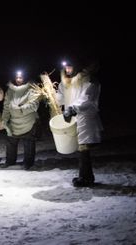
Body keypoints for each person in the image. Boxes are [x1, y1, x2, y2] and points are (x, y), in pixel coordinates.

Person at [56, 59, 103, 187]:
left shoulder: (87, 80)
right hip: (72, 118)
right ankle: (84, 176)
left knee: (84, 148)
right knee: (79, 148)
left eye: (70, 67)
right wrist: (53, 99)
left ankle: (86, 178)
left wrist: (73, 108)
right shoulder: (65, 82)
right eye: (66, 68)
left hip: (85, 118)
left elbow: (87, 99)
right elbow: (60, 96)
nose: (68, 70)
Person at [1, 71, 41, 170]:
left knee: (29, 143)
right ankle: (10, 161)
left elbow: (34, 105)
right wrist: (4, 119)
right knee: (11, 143)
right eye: (17, 78)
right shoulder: (10, 90)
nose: (18, 80)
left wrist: (20, 109)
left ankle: (28, 163)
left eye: (21, 78)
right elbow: (6, 106)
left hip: (29, 121)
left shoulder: (33, 88)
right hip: (14, 122)